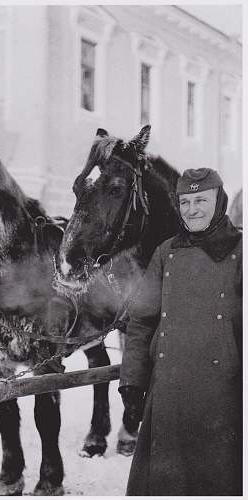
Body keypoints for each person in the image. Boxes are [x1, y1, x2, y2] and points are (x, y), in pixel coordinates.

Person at [119, 168, 242, 496]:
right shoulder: (167, 252)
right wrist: (132, 383)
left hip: (227, 399)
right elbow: (141, 320)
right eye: (185, 202)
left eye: (201, 200)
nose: (192, 210)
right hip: (169, 397)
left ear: (220, 202)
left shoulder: (241, 251)